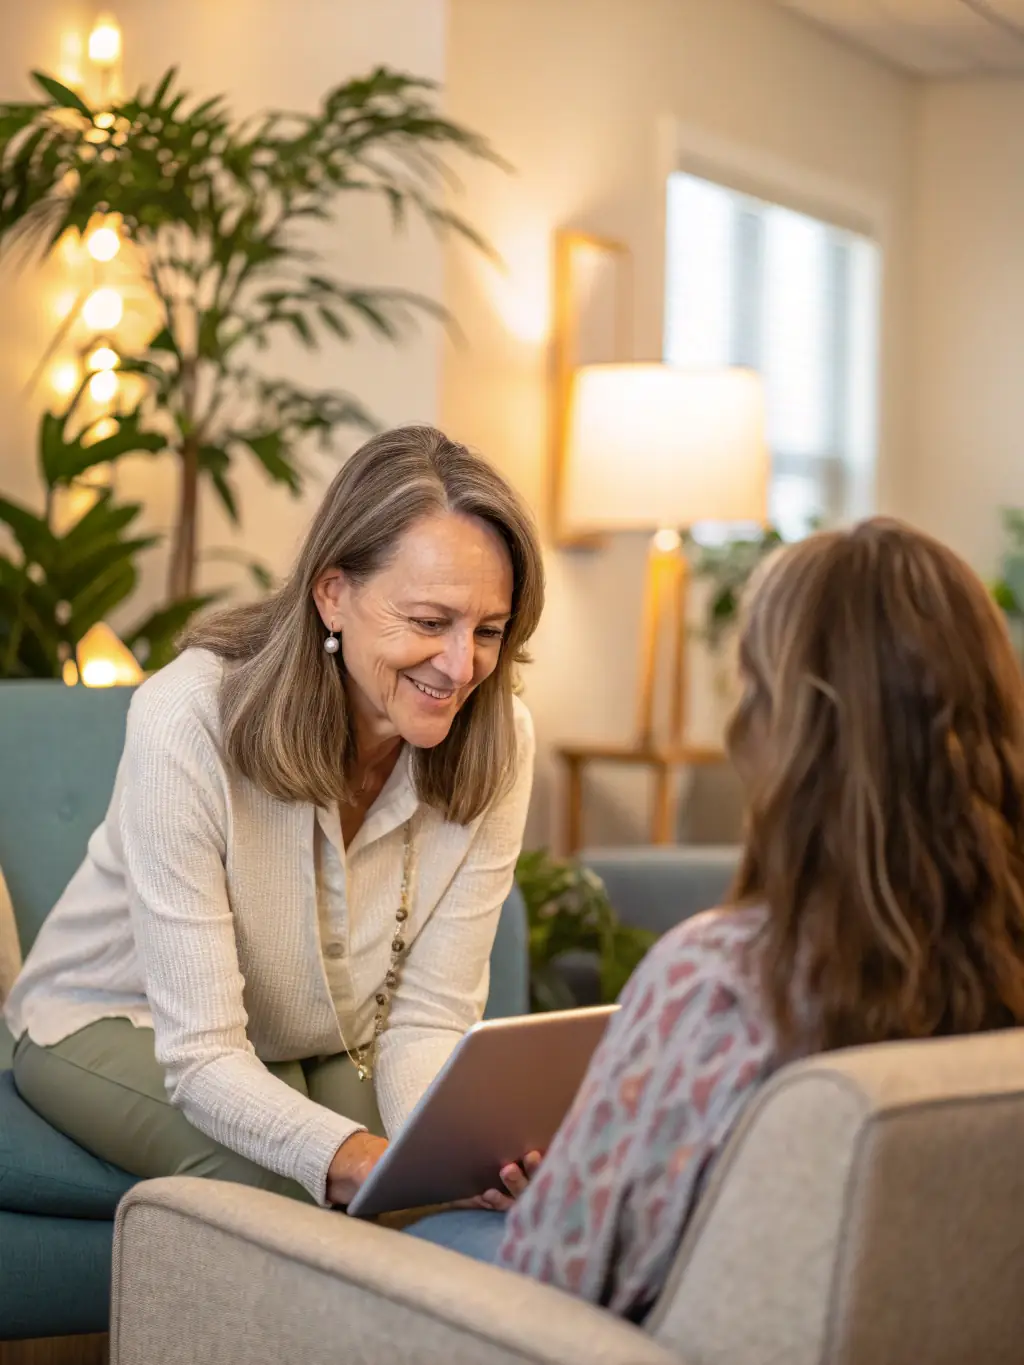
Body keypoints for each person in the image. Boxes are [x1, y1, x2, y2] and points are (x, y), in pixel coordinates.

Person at [407, 517, 1024, 1319]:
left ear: (784, 726)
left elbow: (552, 1283)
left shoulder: (723, 984)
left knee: (427, 1235)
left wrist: (578, 1176)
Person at [5, 425, 544, 1210]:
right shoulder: (188, 717)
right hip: (118, 1021)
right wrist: (351, 1156)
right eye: (430, 622)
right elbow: (201, 1054)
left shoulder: (501, 739)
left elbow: (427, 1019)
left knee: (433, 1180)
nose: (462, 666)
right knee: (298, 1194)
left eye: (488, 630)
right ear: (334, 593)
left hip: (311, 1042)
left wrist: (459, 1159)